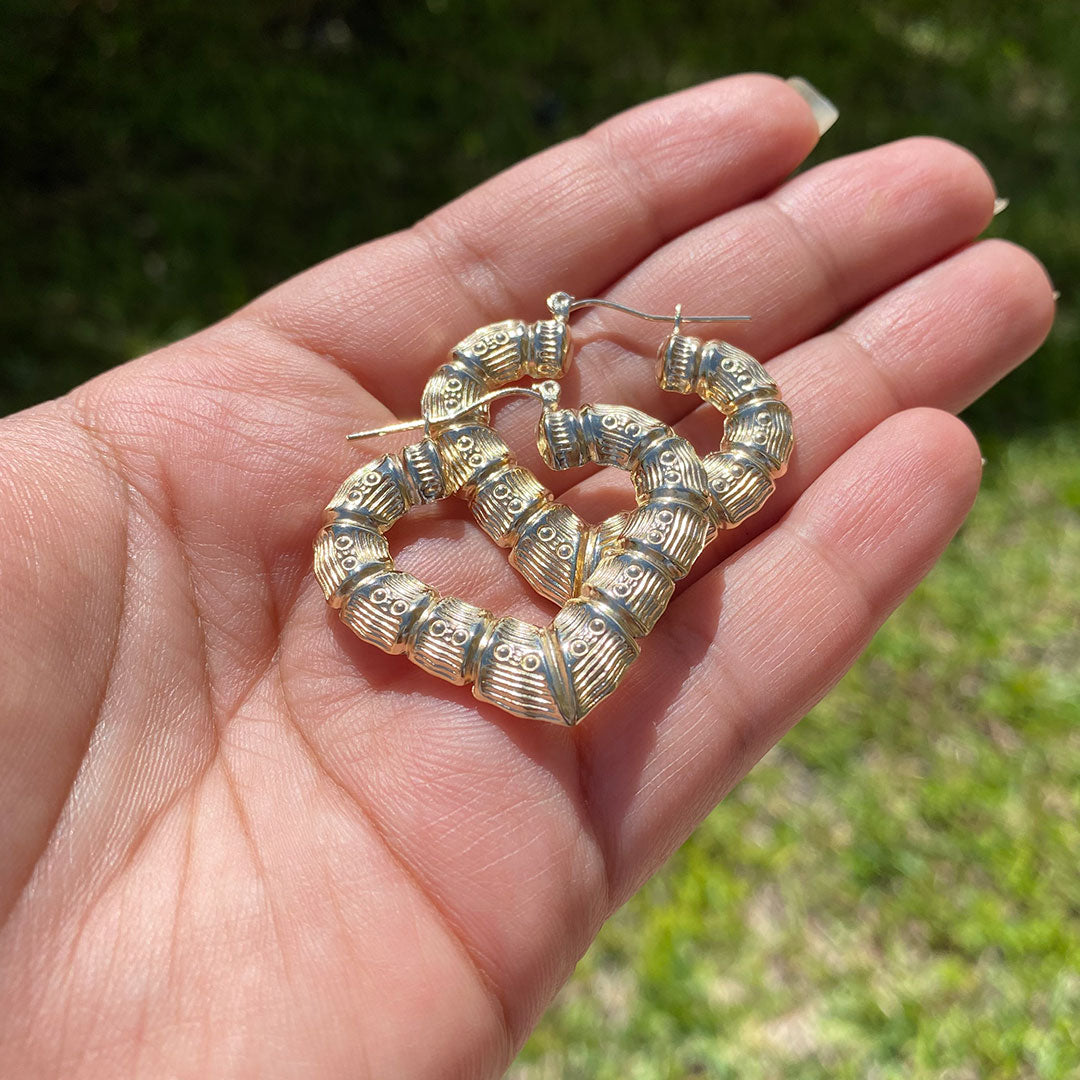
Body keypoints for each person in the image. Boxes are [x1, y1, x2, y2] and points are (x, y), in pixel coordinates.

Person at [0, 74, 1054, 1078]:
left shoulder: (634, 486)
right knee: (570, 617)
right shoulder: (517, 488)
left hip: (574, 501)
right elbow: (564, 637)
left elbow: (662, 509)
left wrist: (582, 418)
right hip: (539, 512)